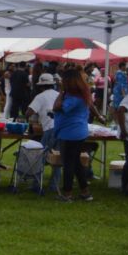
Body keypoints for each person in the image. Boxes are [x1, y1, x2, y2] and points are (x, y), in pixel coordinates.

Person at [52, 69, 94, 202]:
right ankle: (85, 192)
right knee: (76, 163)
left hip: (70, 133)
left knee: (69, 164)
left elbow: (56, 107)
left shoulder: (73, 98)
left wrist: (61, 92)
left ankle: (67, 193)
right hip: (79, 132)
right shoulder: (82, 95)